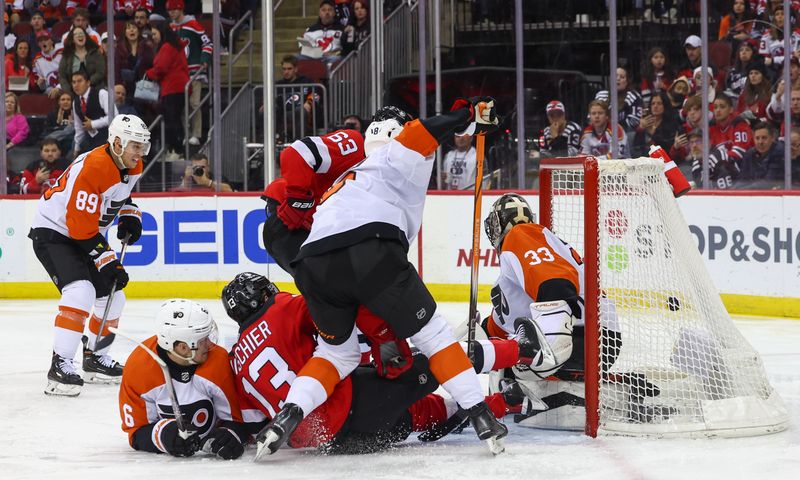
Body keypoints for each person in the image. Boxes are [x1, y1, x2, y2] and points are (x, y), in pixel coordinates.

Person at [258, 97, 508, 457]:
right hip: (372, 251)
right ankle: (481, 415)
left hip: (314, 265)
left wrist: (468, 125)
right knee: (434, 337)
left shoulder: (347, 177)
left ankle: (288, 414)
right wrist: (466, 115)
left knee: (335, 354)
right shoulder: (397, 157)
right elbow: (423, 133)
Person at [221, 273, 531, 454]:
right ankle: (521, 351)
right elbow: (334, 307)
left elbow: (251, 423)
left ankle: (504, 402)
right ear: (260, 297)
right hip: (351, 404)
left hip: (332, 443)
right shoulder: (280, 309)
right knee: (436, 361)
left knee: (408, 412)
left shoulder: (237, 359)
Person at [28, 114, 150, 396]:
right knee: (80, 291)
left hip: (81, 233)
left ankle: (95, 356)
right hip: (54, 232)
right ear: (117, 143)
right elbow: (79, 228)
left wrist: (130, 215)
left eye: (142, 146)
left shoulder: (132, 164)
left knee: (114, 295)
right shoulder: (94, 167)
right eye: (135, 145)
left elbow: (121, 194)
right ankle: (60, 364)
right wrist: (106, 259)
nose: (140, 152)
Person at [480, 193, 623, 427]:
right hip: (595, 338)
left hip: (585, 337)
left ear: (497, 223)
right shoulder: (518, 259)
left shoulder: (520, 235)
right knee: (482, 340)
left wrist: (560, 297)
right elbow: (501, 323)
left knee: (512, 361)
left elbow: (554, 282)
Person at [119, 299, 249, 459]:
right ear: (182, 347)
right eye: (203, 341)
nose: (210, 344)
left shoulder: (218, 361)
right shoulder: (139, 368)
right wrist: (165, 435)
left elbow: (238, 419)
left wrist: (230, 435)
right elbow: (136, 432)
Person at [261, 124, 367, 275]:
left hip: (321, 228)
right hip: (290, 218)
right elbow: (295, 153)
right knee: (322, 286)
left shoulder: (393, 177)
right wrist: (298, 201)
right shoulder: (355, 143)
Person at [168, 0, 212, 146]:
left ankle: (196, 134)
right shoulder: (171, 27)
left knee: (194, 103)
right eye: (169, 10)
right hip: (178, 74)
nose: (171, 13)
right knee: (182, 106)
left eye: (174, 10)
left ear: (181, 9)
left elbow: (207, 43)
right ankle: (186, 135)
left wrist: (204, 59)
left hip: (194, 72)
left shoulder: (193, 25)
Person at [146, 20, 189, 160]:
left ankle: (176, 150)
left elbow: (161, 68)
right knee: (175, 119)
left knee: (171, 120)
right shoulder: (175, 46)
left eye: (154, 33)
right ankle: (176, 149)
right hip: (179, 87)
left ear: (161, 32)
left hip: (172, 88)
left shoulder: (167, 47)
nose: (153, 37)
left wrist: (149, 73)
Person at [70, 70, 117, 156]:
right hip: (90, 141)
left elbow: (114, 117)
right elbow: (79, 127)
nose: (76, 85)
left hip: (108, 139)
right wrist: (76, 148)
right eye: (73, 82)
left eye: (79, 81)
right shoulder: (75, 102)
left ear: (88, 83)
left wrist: (93, 124)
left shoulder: (101, 94)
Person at [114, 20, 155, 106]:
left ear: (138, 31)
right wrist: (119, 86)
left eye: (134, 28)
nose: (131, 30)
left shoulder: (146, 46)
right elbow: (116, 69)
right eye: (128, 28)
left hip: (143, 86)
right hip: (126, 87)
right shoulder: (119, 48)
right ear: (125, 33)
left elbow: (152, 64)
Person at [594, 66, 643, 137]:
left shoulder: (633, 96)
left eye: (622, 77)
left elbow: (634, 121)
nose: (618, 79)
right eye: (615, 76)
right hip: (601, 133)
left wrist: (611, 127)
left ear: (626, 82)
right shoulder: (601, 95)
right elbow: (591, 117)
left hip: (625, 134)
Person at [632, 91, 680, 157]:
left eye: (659, 103)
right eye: (653, 103)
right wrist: (640, 129)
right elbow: (636, 147)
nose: (655, 106)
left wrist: (653, 134)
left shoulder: (672, 125)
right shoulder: (645, 123)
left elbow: (667, 148)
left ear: (665, 105)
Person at [58, 27, 106, 92]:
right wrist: (67, 90)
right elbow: (62, 76)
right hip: (74, 90)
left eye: (81, 33)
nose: (80, 35)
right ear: (72, 39)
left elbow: (100, 72)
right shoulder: (67, 55)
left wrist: (86, 83)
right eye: (76, 34)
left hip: (94, 88)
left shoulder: (95, 52)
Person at [738, 121, 785, 186]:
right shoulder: (749, 154)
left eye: (764, 138)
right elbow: (742, 179)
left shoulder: (779, 153)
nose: (760, 142)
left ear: (772, 138)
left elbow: (768, 182)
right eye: (757, 138)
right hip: (752, 192)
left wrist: (743, 191)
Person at [33, 31, 63, 99]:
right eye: (40, 41)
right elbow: (42, 87)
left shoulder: (62, 52)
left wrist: (59, 88)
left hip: (65, 86)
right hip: (50, 90)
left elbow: (69, 74)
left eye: (46, 39)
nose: (43, 42)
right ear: (38, 44)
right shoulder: (37, 60)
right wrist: (41, 84)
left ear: (51, 41)